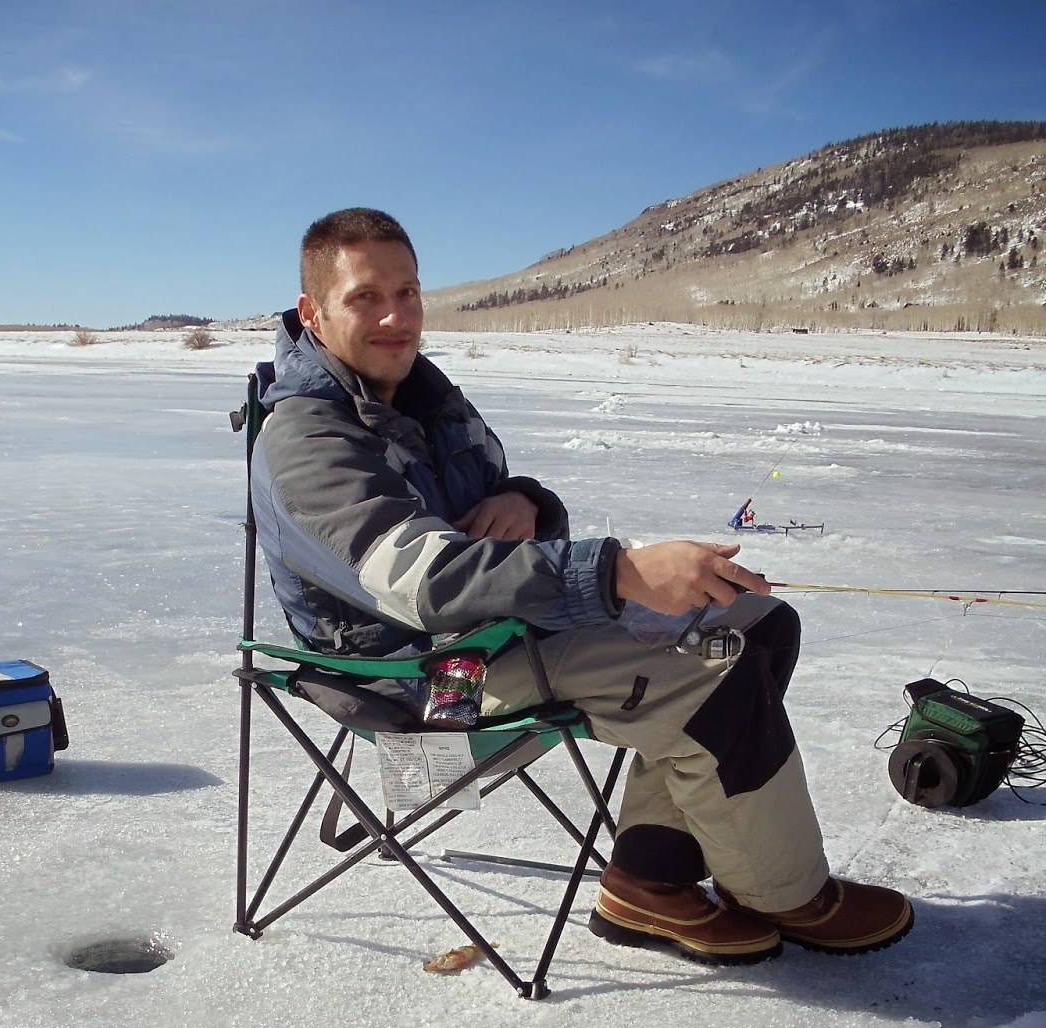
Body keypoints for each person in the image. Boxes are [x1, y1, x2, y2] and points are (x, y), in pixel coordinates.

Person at [248, 207, 913, 965]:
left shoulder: (426, 400)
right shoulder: (307, 439)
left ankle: (649, 881)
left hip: (497, 633)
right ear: (314, 313)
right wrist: (619, 572)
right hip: (420, 679)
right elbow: (425, 581)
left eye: (410, 291)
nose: (397, 316)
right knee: (715, 668)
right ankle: (787, 893)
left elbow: (507, 522)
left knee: (752, 621)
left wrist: (527, 500)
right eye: (366, 296)